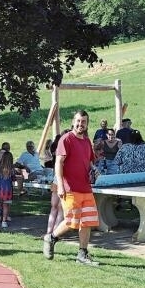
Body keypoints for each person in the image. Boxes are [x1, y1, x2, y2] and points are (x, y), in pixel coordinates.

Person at [43, 110, 100, 266]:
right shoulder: (66, 139)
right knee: (71, 222)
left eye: (84, 122)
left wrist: (94, 169)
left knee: (87, 222)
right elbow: (58, 163)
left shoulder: (87, 141)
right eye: (78, 121)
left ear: (87, 124)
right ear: (73, 121)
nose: (80, 124)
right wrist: (60, 186)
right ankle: (51, 237)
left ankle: (82, 254)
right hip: (70, 188)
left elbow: (89, 162)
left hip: (86, 188)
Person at [0, 151, 15, 228]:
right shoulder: (11, 168)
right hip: (8, 189)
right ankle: (4, 221)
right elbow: (13, 179)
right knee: (6, 205)